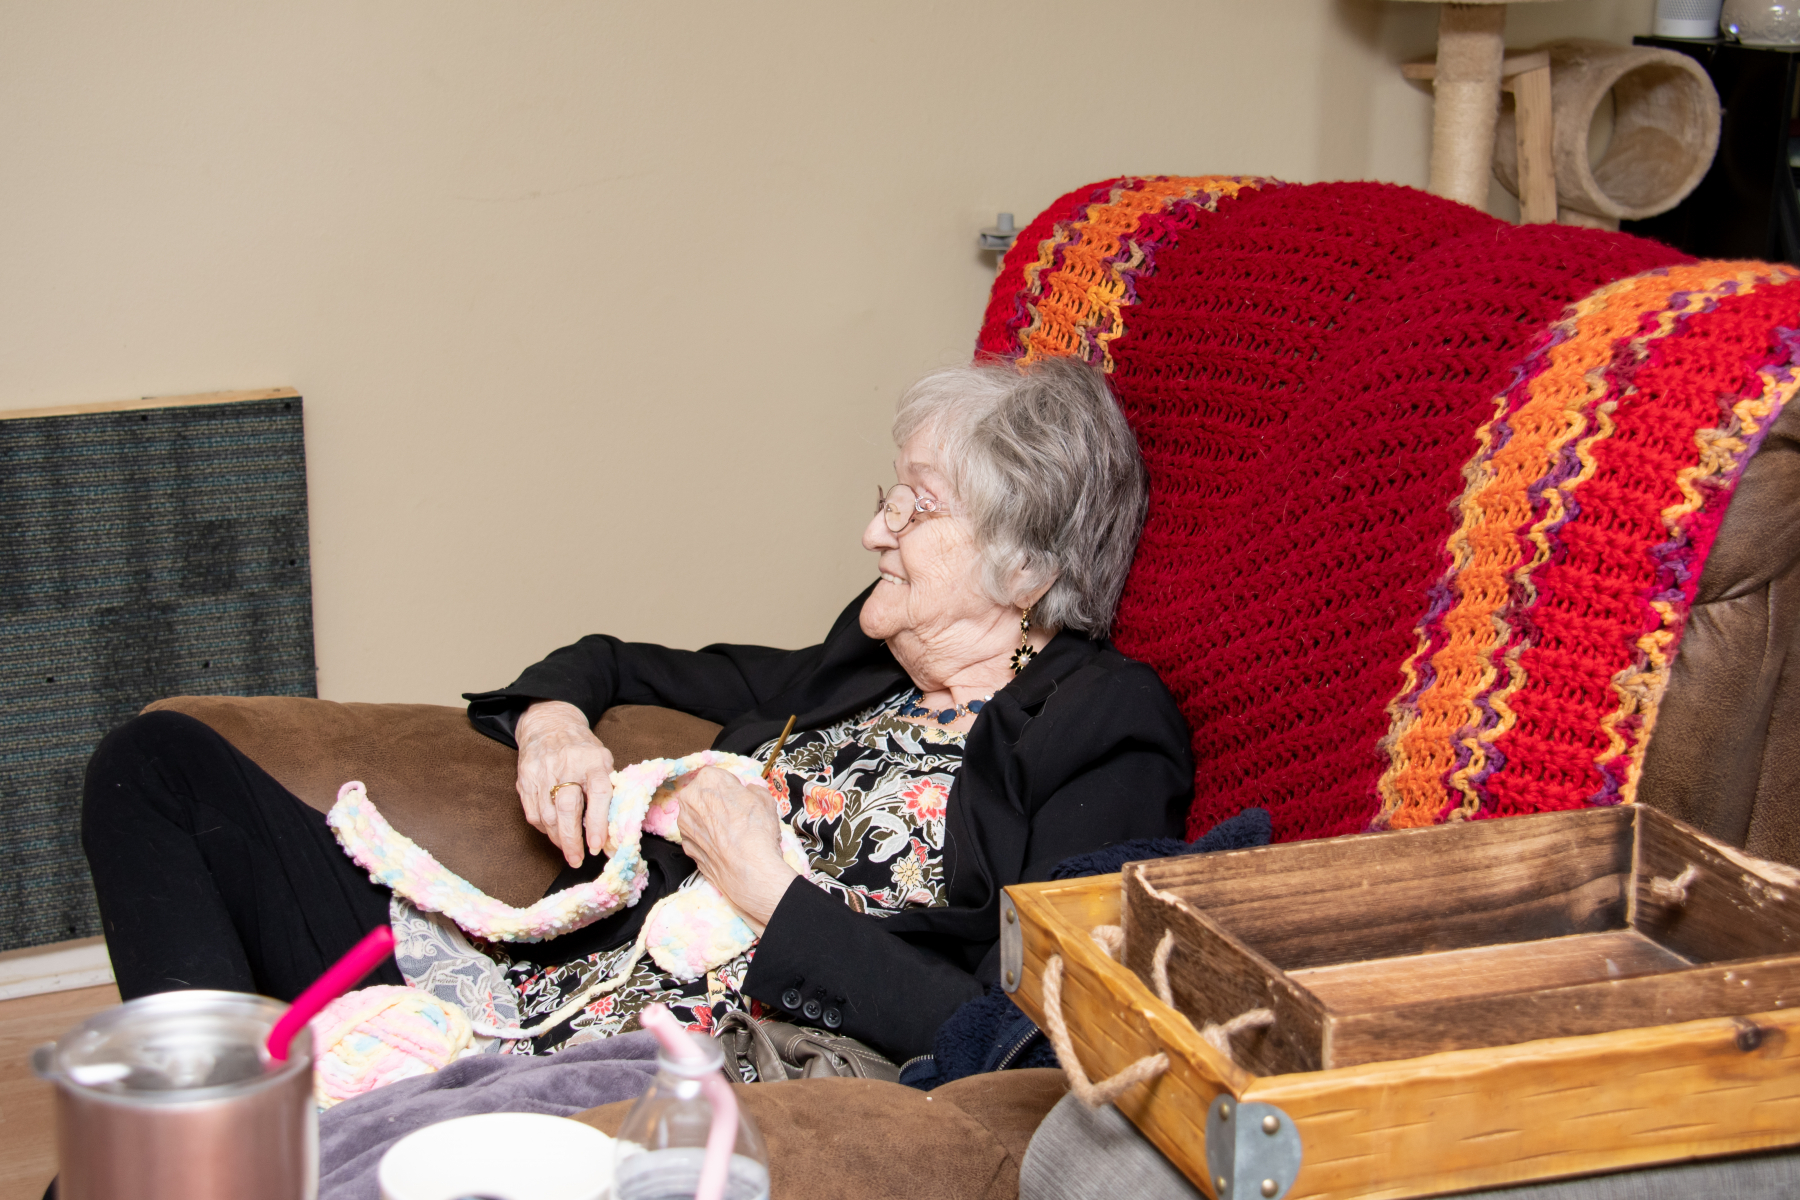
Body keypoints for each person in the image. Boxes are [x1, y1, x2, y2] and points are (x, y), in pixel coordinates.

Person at [82, 355, 1192, 1065]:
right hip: (521, 988)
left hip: (649, 1072)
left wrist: (769, 890)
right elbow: (617, 663)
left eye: (917, 508)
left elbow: (1031, 1041)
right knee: (155, 765)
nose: (874, 533)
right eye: (884, 497)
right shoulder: (868, 662)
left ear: (1025, 565)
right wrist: (552, 722)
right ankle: (208, 1129)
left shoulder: (1101, 723)